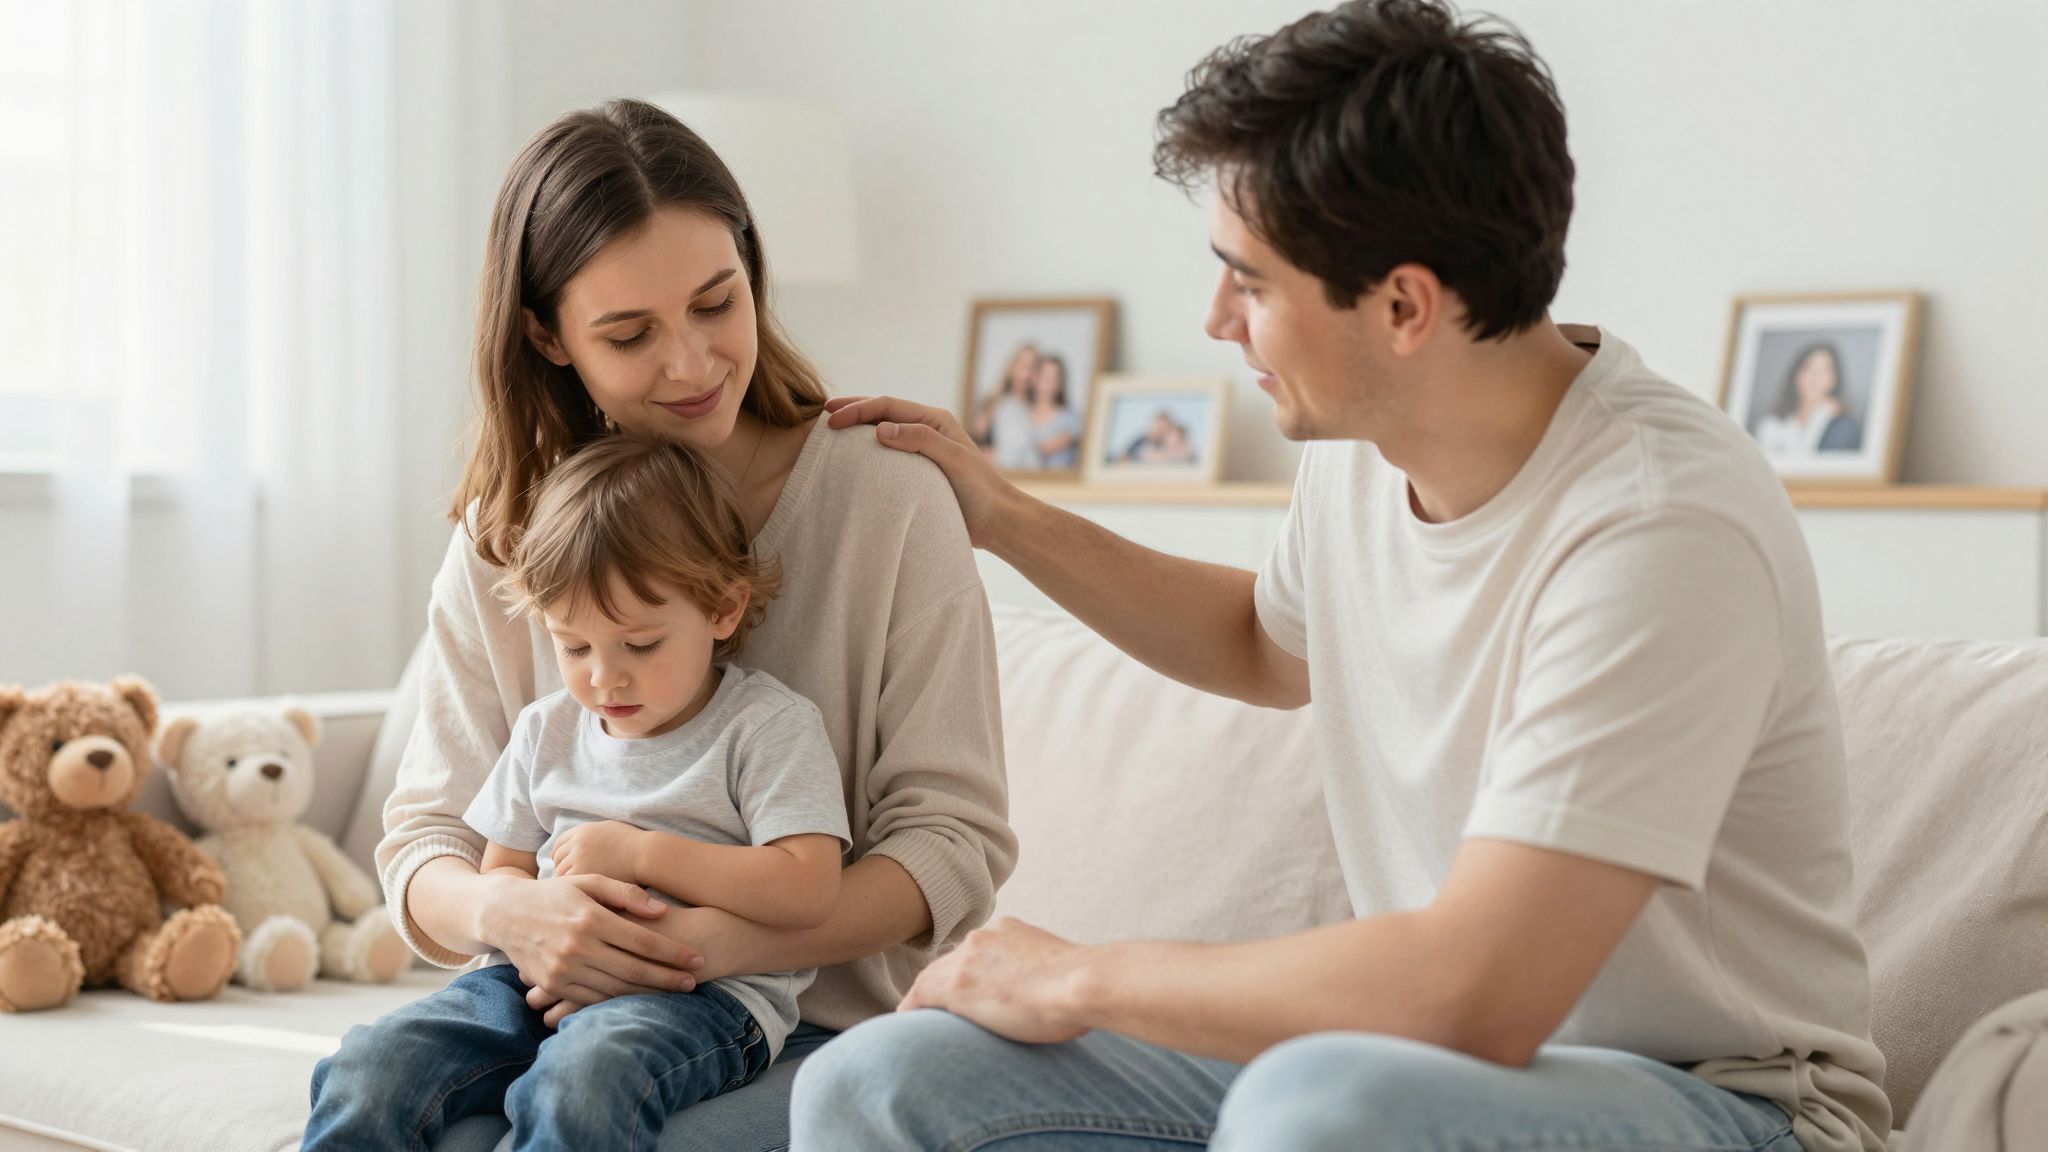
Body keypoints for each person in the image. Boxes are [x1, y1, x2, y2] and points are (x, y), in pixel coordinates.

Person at [804, 2, 1890, 1150]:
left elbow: (1474, 994)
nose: (1215, 320)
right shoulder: (1371, 451)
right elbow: (1264, 649)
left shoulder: (1659, 528)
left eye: (1249, 283)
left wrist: (1081, 978)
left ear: (1404, 307)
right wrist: (1001, 515)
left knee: (1315, 1112)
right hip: (1407, 1078)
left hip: (1730, 1107)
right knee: (882, 1082)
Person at [350, 98, 1014, 1151]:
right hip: (539, 995)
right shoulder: (507, 526)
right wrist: (510, 916)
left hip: (801, 1024)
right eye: (629, 334)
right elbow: (427, 841)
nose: (693, 363)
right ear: (545, 336)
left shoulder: (884, 497)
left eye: (718, 302)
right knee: (386, 1090)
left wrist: (698, 947)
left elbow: (949, 843)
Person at [307, 435, 852, 1150]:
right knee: (370, 1064)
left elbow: (806, 889)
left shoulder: (767, 728)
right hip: (528, 981)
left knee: (582, 1078)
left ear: (722, 609)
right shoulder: (547, 730)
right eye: (574, 647)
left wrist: (640, 855)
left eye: (641, 645)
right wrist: (537, 928)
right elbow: (501, 871)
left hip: (702, 1002)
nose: (604, 679)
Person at [1755, 342, 1865, 456]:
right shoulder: (1771, 424)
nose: (1816, 376)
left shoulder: (1843, 428)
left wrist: (1824, 416)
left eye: (1824, 370)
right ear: (1796, 374)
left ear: (1834, 379)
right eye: (1809, 368)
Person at [973, 342, 1041, 469]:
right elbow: (976, 441)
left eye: (1032, 368)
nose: (1026, 374)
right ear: (1012, 367)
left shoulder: (1037, 407)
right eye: (1023, 366)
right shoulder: (993, 402)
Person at [1027, 354, 1083, 470]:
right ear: (1035, 378)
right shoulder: (1021, 415)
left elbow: (1048, 447)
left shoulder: (1070, 419)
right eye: (1046, 377)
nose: (1050, 383)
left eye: (1055, 378)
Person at [1122, 409, 1198, 465]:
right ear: (1153, 425)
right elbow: (1124, 459)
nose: (1160, 431)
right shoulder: (1140, 442)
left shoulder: (1171, 445)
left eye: (1164, 428)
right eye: (1158, 427)